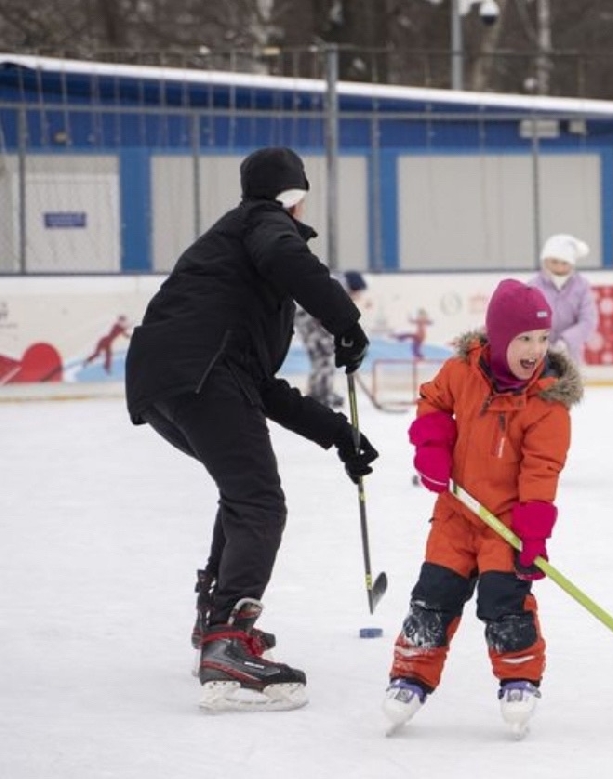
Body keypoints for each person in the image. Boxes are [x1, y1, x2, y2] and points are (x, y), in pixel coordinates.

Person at [124, 146, 379, 713]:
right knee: (260, 502)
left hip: (166, 380)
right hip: (201, 374)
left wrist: (338, 433)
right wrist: (346, 321)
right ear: (296, 195)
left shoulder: (230, 249)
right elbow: (290, 260)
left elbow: (258, 386)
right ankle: (227, 643)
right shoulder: (264, 224)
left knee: (243, 494)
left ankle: (214, 625)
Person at [383, 278, 582, 737]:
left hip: (506, 524)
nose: (535, 349)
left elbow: (542, 471)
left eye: (542, 338)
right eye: (523, 339)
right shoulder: (462, 371)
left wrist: (533, 535)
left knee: (504, 604)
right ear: (496, 337)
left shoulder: (547, 405)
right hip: (456, 515)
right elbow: (432, 403)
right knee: (432, 600)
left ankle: (519, 680)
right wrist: (432, 449)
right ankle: (409, 677)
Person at [294, 270, 368, 408]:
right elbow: (326, 313)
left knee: (323, 357)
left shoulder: (334, 285)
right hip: (307, 318)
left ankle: (320, 392)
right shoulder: (336, 289)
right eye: (358, 293)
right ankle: (320, 394)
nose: (357, 297)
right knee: (324, 357)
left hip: (306, 317)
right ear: (354, 288)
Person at [528, 233, 598, 365]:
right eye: (554, 262)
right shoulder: (532, 287)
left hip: (571, 357)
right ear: (545, 261)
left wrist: (566, 341)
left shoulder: (581, 286)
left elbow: (588, 320)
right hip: (537, 355)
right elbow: (525, 321)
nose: (559, 267)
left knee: (570, 385)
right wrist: (541, 342)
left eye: (564, 263)